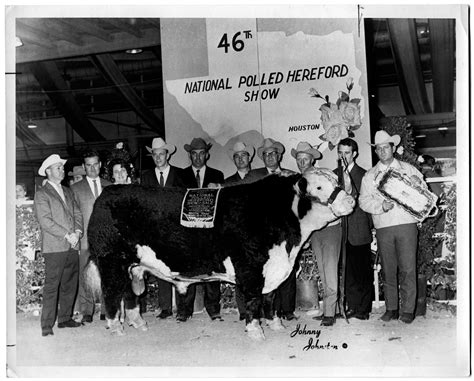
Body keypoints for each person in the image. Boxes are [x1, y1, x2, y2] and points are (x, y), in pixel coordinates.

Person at [359, 130, 427, 324]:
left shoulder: (409, 170)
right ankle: (391, 309)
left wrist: (418, 183)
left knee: (408, 268)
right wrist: (381, 206)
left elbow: (423, 196)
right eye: (378, 149)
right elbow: (363, 201)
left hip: (406, 224)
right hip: (384, 226)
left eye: (385, 147)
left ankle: (408, 310)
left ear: (393, 148)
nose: (382, 151)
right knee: (388, 269)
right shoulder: (370, 176)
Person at [34, 154, 83, 336]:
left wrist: (77, 232)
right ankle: (46, 325)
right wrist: (67, 235)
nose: (62, 170)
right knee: (52, 285)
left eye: (62, 167)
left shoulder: (68, 191)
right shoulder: (42, 193)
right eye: (58, 168)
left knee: (70, 283)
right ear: (48, 171)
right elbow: (45, 221)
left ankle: (64, 318)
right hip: (55, 246)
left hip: (72, 244)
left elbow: (77, 214)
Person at [177, 137, 224, 322]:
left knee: (212, 270)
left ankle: (213, 309)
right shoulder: (180, 176)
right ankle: (184, 310)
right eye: (194, 154)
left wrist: (219, 188)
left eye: (201, 153)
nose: (198, 157)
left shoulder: (217, 175)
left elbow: (222, 202)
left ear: (207, 155)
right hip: (187, 231)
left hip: (210, 231)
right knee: (185, 270)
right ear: (190, 155)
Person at [251, 138, 297, 321]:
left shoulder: (291, 176)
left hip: (286, 232)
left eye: (272, 154)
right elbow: (236, 187)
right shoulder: (255, 176)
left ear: (279, 155)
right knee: (267, 271)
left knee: (288, 269)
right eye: (266, 154)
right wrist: (219, 187)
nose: (269, 157)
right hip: (264, 234)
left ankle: (288, 310)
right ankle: (270, 310)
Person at [141, 137, 184, 319]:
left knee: (180, 268)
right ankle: (165, 307)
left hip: (177, 229)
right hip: (156, 230)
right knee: (161, 268)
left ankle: (183, 309)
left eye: (161, 154)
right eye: (155, 154)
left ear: (168, 155)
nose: (158, 157)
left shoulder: (181, 175)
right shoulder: (146, 177)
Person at [71, 150, 111, 323]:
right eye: (88, 165)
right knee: (84, 275)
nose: (93, 168)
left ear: (100, 165)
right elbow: (73, 215)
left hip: (107, 240)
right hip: (85, 240)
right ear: (83, 167)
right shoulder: (75, 189)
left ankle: (105, 309)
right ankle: (87, 310)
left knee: (107, 274)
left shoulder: (109, 186)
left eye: (95, 164)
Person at [336, 138, 373, 320]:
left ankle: (363, 309)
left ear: (355, 154)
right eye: (340, 152)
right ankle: (352, 305)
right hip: (341, 231)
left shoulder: (365, 175)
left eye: (347, 153)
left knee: (363, 272)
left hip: (360, 228)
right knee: (348, 271)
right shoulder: (334, 175)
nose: (343, 156)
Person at [224, 141, 255, 319]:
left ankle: (259, 308)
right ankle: (243, 310)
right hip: (236, 232)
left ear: (249, 157)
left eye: (244, 155)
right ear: (234, 160)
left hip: (258, 232)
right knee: (239, 271)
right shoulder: (228, 183)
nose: (241, 159)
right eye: (237, 156)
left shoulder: (259, 178)